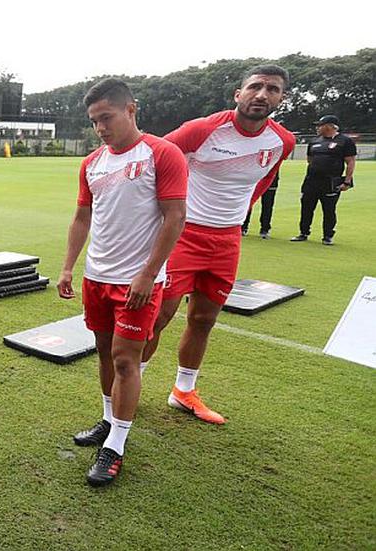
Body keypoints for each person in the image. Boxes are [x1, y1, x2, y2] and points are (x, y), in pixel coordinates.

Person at [141, 65, 296, 425]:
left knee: (204, 319)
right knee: (158, 316)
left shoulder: (282, 141)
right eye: (255, 87)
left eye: (272, 89)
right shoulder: (203, 129)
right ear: (238, 94)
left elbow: (263, 180)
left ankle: (183, 391)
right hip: (183, 234)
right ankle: (132, 385)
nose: (262, 94)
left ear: (281, 98)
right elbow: (155, 156)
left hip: (227, 240)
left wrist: (238, 217)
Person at [58, 79, 187, 487]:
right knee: (102, 354)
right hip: (97, 276)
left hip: (137, 282)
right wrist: (67, 268)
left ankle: (115, 444)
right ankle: (108, 418)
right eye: (94, 121)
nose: (100, 128)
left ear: (131, 109)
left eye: (106, 118)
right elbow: (82, 218)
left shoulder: (162, 154)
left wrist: (148, 273)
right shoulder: (92, 163)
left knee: (126, 360)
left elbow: (175, 216)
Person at [291, 115, 357, 245]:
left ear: (329, 126)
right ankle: (303, 233)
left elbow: (350, 162)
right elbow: (310, 160)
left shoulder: (345, 141)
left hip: (330, 182)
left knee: (329, 209)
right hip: (311, 181)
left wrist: (347, 181)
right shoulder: (315, 141)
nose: (317, 128)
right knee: (306, 208)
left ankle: (328, 235)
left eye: (320, 125)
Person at [242, 172, 278, 238]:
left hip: (271, 178)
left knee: (268, 204)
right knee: (248, 202)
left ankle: (265, 229)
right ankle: (243, 227)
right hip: (254, 178)